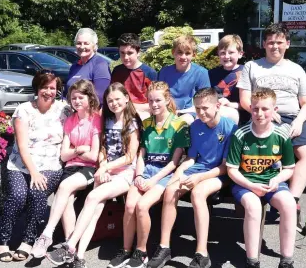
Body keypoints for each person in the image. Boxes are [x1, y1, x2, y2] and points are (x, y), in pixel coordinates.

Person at [47, 82, 141, 268]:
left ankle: (70, 246)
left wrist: (106, 168)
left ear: (126, 98)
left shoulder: (132, 123)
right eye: (110, 100)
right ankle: (79, 257)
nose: (114, 104)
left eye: (117, 99)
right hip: (105, 170)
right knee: (95, 210)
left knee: (92, 197)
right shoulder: (106, 120)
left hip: (124, 173)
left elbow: (130, 157)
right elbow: (103, 149)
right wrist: (103, 165)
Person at [237, 23, 306, 230]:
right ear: (264, 44)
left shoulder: (296, 69)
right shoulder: (252, 66)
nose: (275, 46)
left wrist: (300, 121)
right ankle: (268, 193)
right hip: (261, 117)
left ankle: (292, 201)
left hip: (292, 117)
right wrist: (266, 112)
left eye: (279, 42)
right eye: (271, 42)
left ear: (287, 44)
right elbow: (245, 99)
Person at [108, 81, 189, 268]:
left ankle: (141, 251)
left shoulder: (179, 124)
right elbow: (141, 154)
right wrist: (139, 175)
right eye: (150, 100)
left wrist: (153, 180)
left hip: (164, 174)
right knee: (129, 206)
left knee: (142, 206)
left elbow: (174, 162)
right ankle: (126, 250)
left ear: (167, 99)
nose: (154, 104)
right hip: (145, 171)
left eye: (158, 100)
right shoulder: (146, 123)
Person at [0, 70, 71, 262]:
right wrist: (34, 172)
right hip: (22, 163)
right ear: (37, 88)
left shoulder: (64, 110)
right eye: (44, 87)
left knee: (38, 193)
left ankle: (28, 240)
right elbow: (21, 146)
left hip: (51, 163)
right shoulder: (24, 110)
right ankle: (3, 240)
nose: (48, 91)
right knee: (18, 195)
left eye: (52, 88)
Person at [30, 79, 101, 259]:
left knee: (64, 187)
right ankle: (71, 247)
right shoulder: (70, 120)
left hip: (89, 169)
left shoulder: (96, 120)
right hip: (70, 167)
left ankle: (47, 234)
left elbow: (93, 156)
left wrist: (75, 152)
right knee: (67, 200)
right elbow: (63, 155)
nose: (76, 101)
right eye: (73, 98)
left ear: (90, 98)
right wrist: (79, 149)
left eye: (81, 97)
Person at [226, 87, 297, 268]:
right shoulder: (240, 134)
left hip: (272, 182)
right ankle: (252, 261)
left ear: (275, 111)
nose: (259, 113)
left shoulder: (281, 135)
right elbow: (232, 170)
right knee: (253, 206)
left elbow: (289, 168)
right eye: (255, 108)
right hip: (245, 182)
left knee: (289, 204)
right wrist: (250, 185)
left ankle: (287, 260)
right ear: (250, 108)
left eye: (265, 109)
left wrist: (278, 179)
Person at [181, 88, 237, 268]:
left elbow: (225, 167)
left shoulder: (230, 128)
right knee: (170, 189)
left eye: (205, 108)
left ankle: (201, 252)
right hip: (200, 169)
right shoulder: (196, 126)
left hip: (223, 174)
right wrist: (178, 175)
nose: (201, 112)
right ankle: (163, 245)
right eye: (197, 109)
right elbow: (191, 158)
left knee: (197, 193)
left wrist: (199, 177)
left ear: (218, 105)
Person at [158, 35, 211, 125]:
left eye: (187, 53)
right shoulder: (164, 72)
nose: (183, 57)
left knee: (183, 122)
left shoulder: (201, 73)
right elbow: (159, 95)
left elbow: (205, 99)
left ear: (194, 54)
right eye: (179, 52)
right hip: (167, 110)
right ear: (173, 52)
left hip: (190, 112)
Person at [111, 33, 157, 120]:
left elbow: (156, 102)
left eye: (130, 53)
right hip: (120, 114)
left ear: (138, 52)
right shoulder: (117, 71)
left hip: (143, 116)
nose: (125, 57)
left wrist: (131, 107)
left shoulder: (149, 73)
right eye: (122, 53)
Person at [65, 28, 111, 104]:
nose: (82, 47)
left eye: (86, 43)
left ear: (94, 46)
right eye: (79, 43)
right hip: (74, 112)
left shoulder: (100, 64)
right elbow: (67, 93)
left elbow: (100, 98)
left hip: (91, 113)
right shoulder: (74, 66)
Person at [209, 34, 245, 125]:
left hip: (240, 116)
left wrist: (230, 104)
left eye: (231, 52)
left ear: (240, 54)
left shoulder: (246, 72)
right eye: (223, 53)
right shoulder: (211, 74)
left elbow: (251, 102)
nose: (226, 56)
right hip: (215, 115)